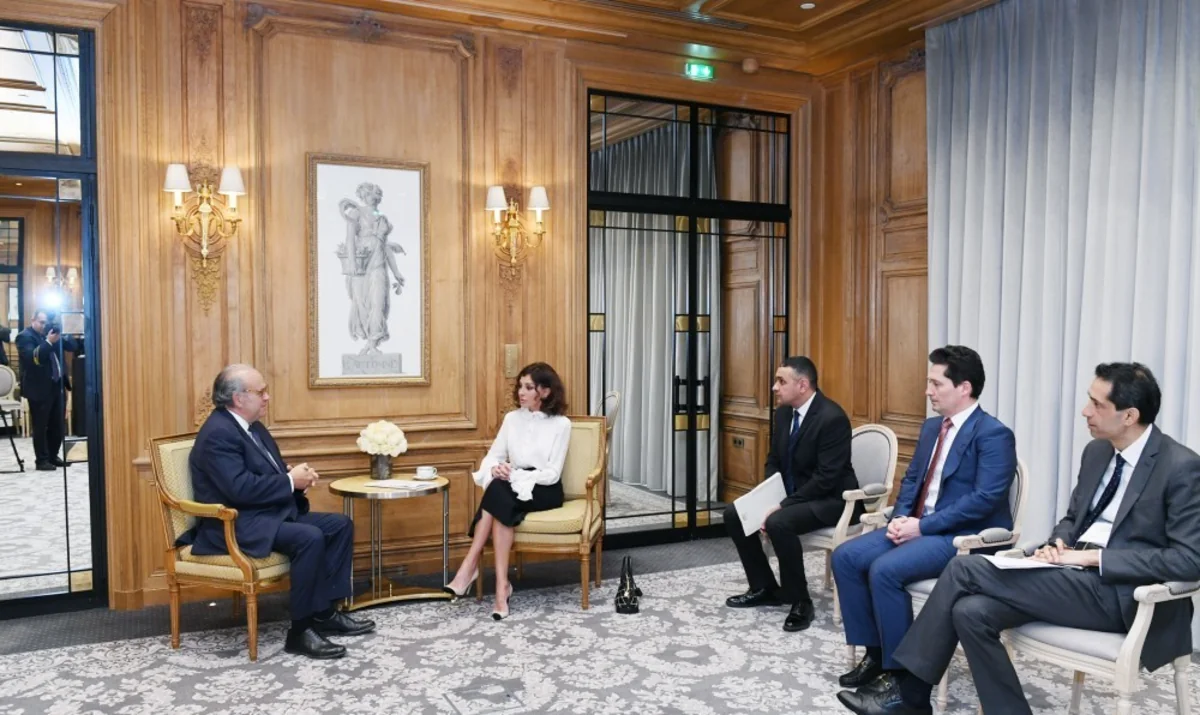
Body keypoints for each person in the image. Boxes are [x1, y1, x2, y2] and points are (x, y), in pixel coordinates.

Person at [841, 362, 1200, 715]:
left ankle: (910, 695)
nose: (1085, 411)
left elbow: (1189, 561)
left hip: (1122, 595)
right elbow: (1073, 518)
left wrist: (1092, 558)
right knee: (970, 612)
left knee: (964, 569)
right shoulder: (1098, 451)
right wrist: (1058, 543)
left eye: (1097, 404)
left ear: (1129, 415)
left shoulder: (1180, 466)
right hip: (1071, 576)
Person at [831, 345, 1017, 695]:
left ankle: (900, 672)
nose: (927, 391)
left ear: (964, 388)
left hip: (961, 537)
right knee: (846, 556)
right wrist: (901, 517)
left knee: (885, 570)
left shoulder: (993, 434)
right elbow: (913, 479)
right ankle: (876, 654)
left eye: (936, 383)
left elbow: (985, 499)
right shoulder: (932, 427)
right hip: (918, 525)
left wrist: (922, 526)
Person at [179, 364, 375, 660]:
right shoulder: (218, 433)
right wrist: (289, 481)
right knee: (309, 537)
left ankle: (324, 613)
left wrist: (295, 480)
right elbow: (239, 489)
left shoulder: (252, 426)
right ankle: (300, 631)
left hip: (264, 515)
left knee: (339, 525)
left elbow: (264, 472)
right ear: (238, 398)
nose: (267, 397)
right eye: (261, 392)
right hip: (234, 524)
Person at [722, 356, 859, 632]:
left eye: (781, 381)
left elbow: (826, 479)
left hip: (833, 500)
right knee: (734, 513)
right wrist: (768, 496)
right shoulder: (784, 414)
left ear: (803, 385)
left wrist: (783, 505)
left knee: (778, 522)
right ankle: (763, 587)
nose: (774, 387)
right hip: (797, 496)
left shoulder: (832, 418)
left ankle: (800, 601)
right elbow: (774, 460)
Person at [442, 362, 571, 620]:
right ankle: (501, 587)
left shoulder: (562, 424)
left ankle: (470, 565)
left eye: (529, 387)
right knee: (500, 496)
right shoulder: (512, 419)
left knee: (499, 492)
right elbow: (494, 455)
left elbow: (553, 473)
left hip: (544, 489)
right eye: (520, 386)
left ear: (545, 391)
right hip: (511, 484)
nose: (521, 392)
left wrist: (515, 475)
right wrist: (496, 468)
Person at [337, 182, 404, 355]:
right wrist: (352, 263)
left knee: (378, 302)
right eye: (370, 194)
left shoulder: (381, 217)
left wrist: (396, 272)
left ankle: (373, 342)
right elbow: (350, 240)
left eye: (377, 195)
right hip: (362, 265)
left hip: (378, 265)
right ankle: (368, 342)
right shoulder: (356, 213)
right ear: (363, 196)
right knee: (362, 303)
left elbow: (384, 246)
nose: (375, 198)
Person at [16, 310, 80, 470]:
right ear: (33, 320)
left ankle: (53, 455)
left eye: (47, 323)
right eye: (42, 322)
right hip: (38, 387)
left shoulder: (53, 334)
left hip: (57, 384)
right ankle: (42, 460)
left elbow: (73, 346)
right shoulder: (25, 337)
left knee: (57, 424)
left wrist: (64, 331)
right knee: (41, 425)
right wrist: (49, 342)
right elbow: (33, 358)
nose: (44, 326)